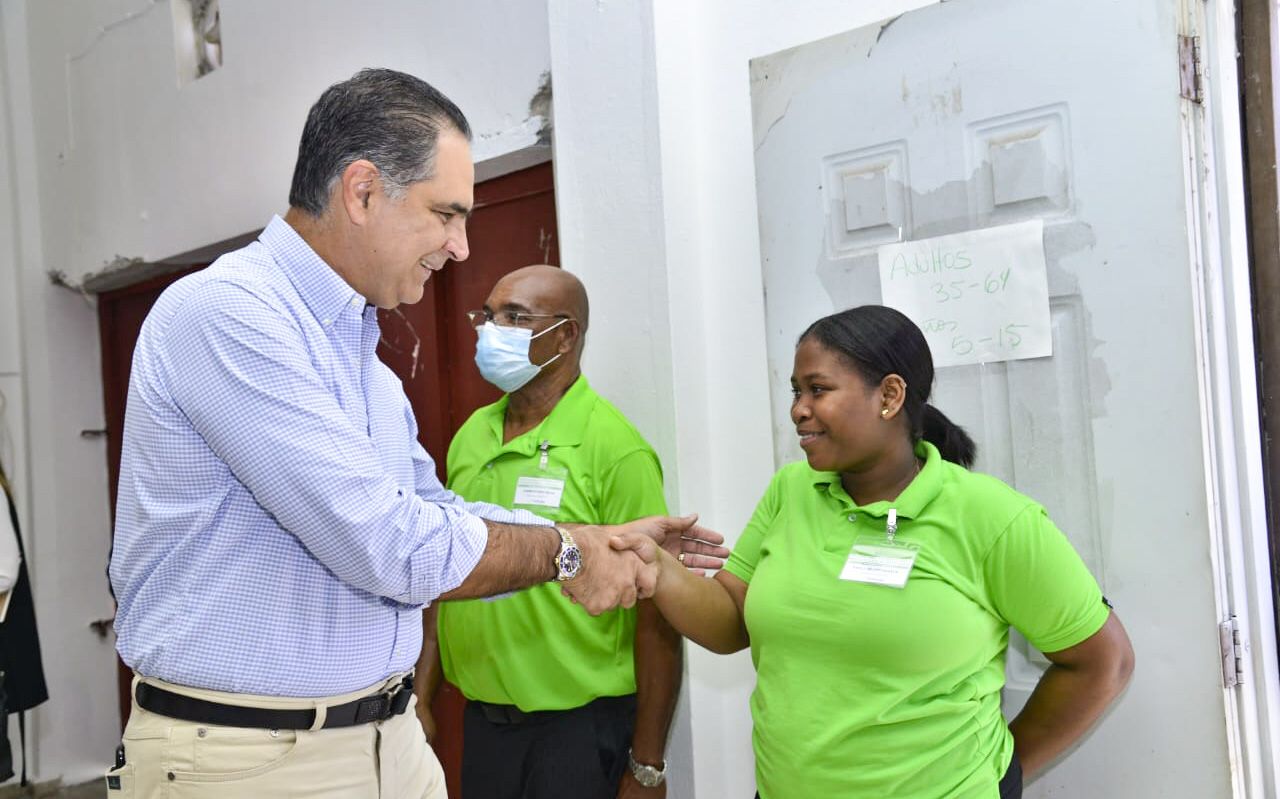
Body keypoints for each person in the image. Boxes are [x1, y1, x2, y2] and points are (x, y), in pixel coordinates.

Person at [106, 68, 720, 799]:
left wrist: (599, 540)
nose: (461, 248)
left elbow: (433, 512)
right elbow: (388, 544)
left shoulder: (368, 370)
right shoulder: (228, 315)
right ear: (363, 191)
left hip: (386, 742)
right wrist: (569, 552)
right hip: (253, 756)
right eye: (446, 214)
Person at [616, 305, 1135, 798]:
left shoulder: (993, 517)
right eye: (795, 390)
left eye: (818, 389)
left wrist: (1002, 774)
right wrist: (656, 568)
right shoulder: (790, 491)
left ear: (889, 396)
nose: (798, 410)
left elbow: (1104, 662)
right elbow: (732, 620)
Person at [415, 265, 682, 798]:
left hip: (577, 733)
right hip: (485, 723)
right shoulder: (472, 435)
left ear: (565, 336)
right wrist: (422, 697)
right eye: (488, 315)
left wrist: (647, 763)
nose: (492, 330)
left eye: (515, 317)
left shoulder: (614, 447)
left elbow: (658, 615)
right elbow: (445, 565)